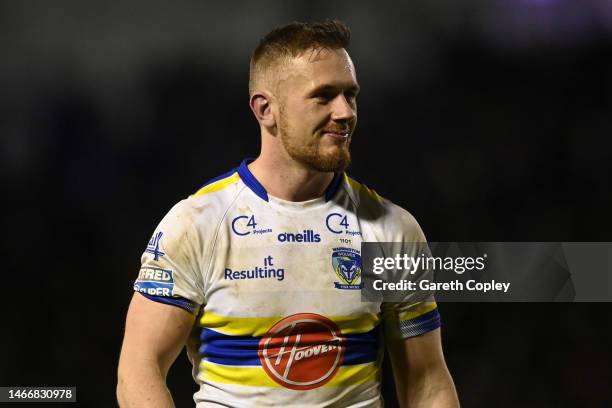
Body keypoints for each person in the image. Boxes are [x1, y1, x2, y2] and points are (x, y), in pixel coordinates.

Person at [117, 20, 459, 407]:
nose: (345, 112)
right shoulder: (197, 225)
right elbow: (138, 370)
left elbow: (428, 382)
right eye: (324, 96)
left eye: (351, 94)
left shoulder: (391, 230)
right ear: (266, 110)